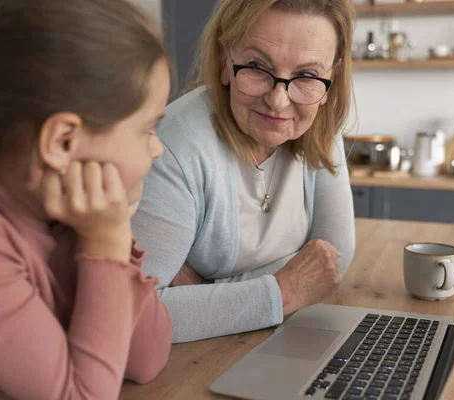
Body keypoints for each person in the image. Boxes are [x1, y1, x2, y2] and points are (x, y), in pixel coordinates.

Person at [132, 0, 357, 343]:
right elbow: (136, 316)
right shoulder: (175, 145)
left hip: (266, 342)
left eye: (308, 76)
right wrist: (283, 292)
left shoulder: (321, 127)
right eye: (256, 66)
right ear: (225, 60)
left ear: (331, 77)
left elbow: (329, 265)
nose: (279, 101)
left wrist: (208, 295)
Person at [0, 0, 173, 398]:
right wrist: (105, 243)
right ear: (63, 141)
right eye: (147, 129)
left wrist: (114, 229)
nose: (157, 148)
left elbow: (146, 358)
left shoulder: (67, 215)